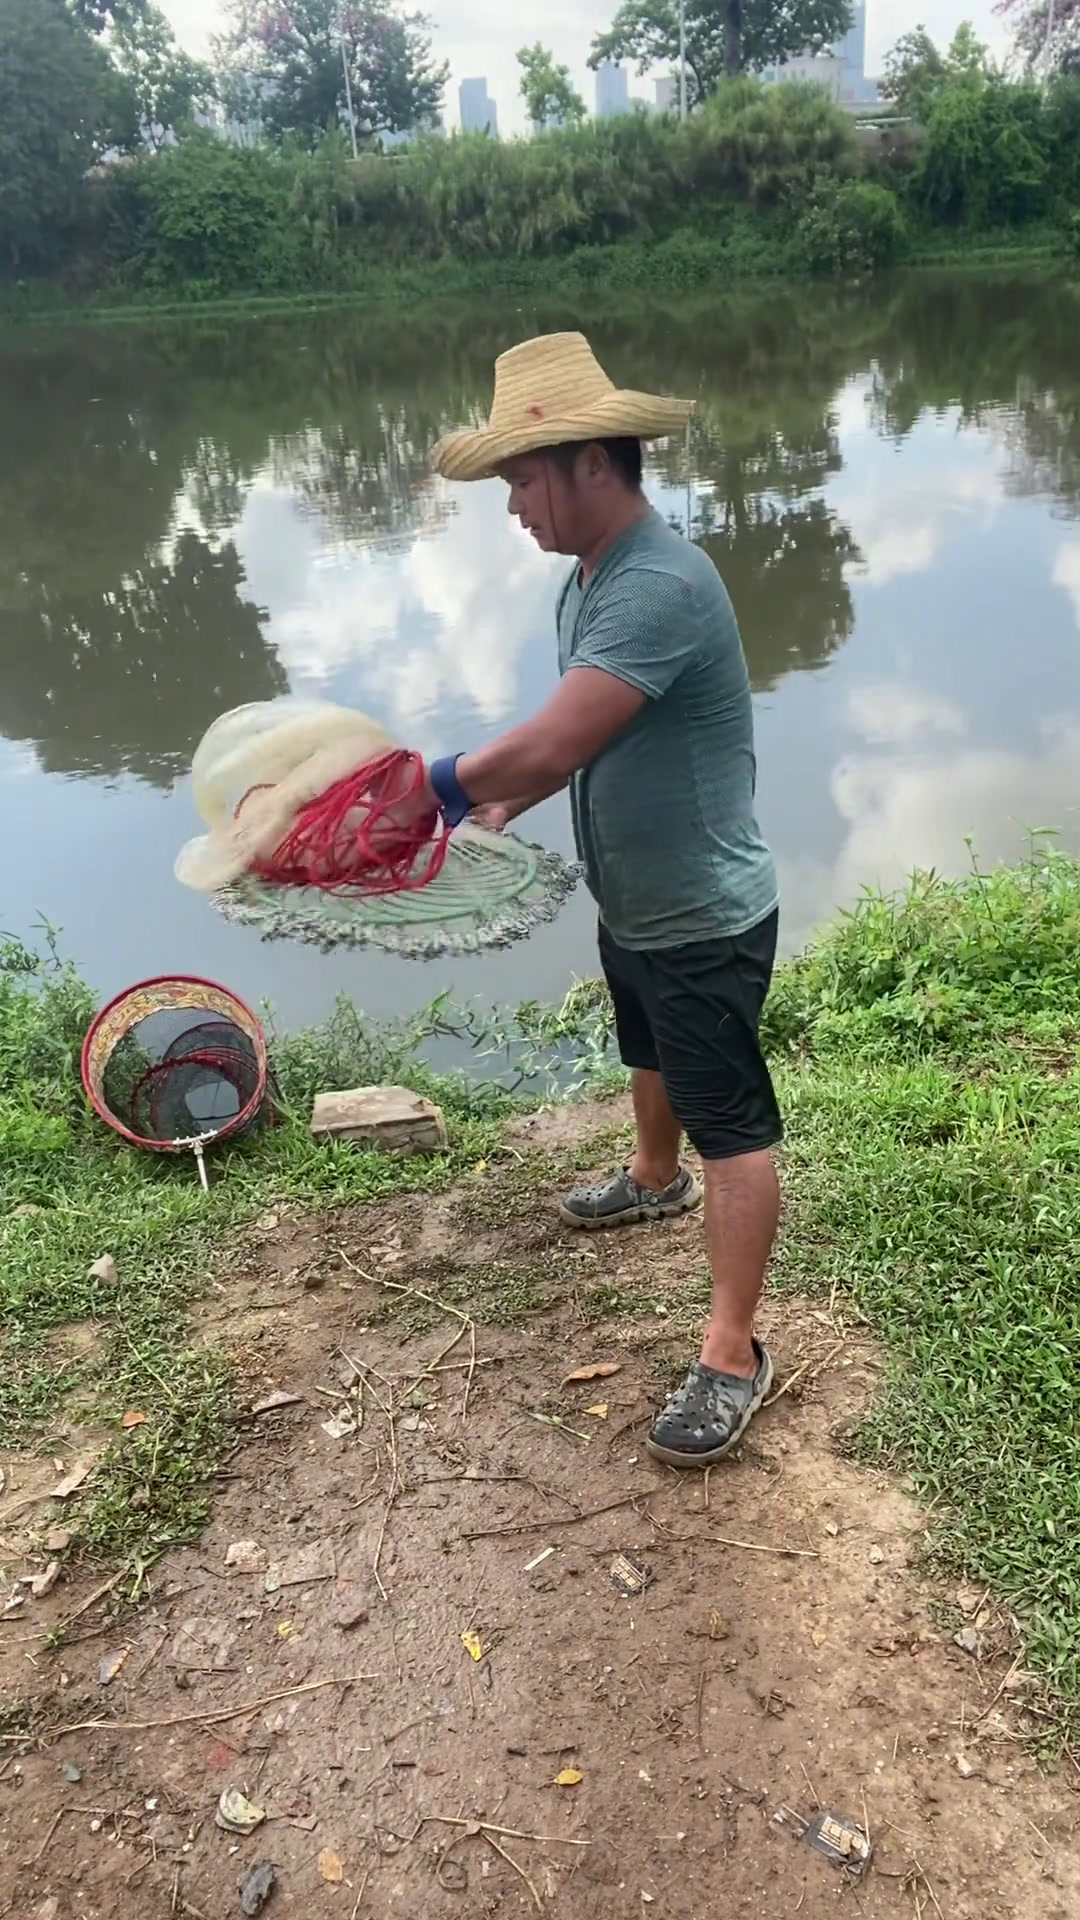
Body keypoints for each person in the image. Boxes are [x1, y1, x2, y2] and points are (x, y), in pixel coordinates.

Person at [424, 331, 782, 1469]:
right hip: (635, 896)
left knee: (734, 1125)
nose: (514, 503)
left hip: (706, 911)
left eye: (522, 477)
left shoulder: (663, 583)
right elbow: (574, 744)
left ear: (590, 462)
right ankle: (649, 1178)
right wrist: (496, 811)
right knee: (646, 1043)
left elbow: (557, 731)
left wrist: (415, 794)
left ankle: (732, 1354)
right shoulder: (586, 587)